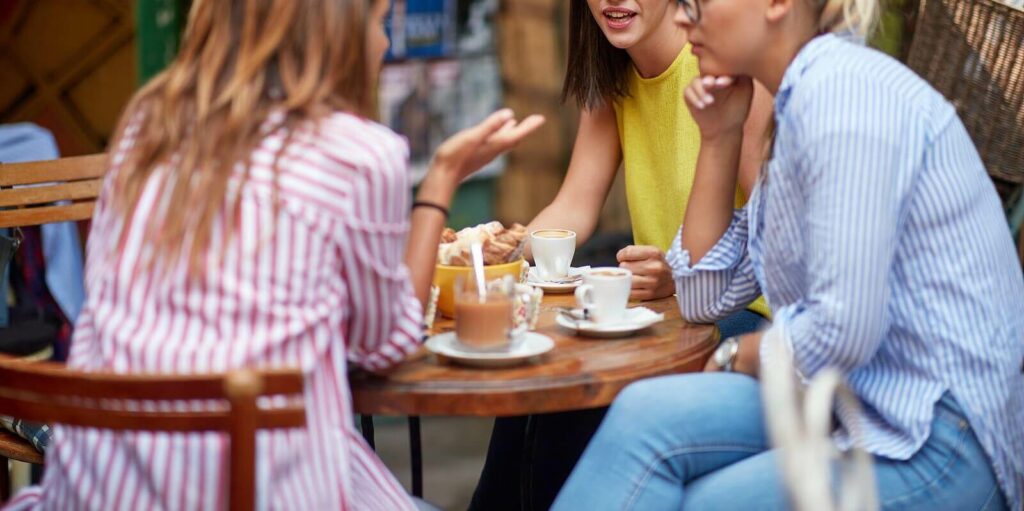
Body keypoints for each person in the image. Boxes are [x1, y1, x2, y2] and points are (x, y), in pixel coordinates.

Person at [5, 0, 543, 509]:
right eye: (378, 21)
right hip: (258, 485)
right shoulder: (360, 153)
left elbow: (108, 300)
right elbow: (387, 345)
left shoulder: (148, 122)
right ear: (335, 32)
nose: (382, 43)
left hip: (102, 485)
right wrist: (440, 181)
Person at [552, 0, 1024, 508]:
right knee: (642, 414)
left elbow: (841, 332)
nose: (683, 17)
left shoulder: (844, 100)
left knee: (701, 502)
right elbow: (702, 298)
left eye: (698, 2)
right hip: (850, 399)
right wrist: (719, 137)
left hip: (934, 434)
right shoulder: (798, 104)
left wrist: (737, 355)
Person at [470, 1, 773, 509]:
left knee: (584, 404)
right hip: (661, 315)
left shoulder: (720, 65)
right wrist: (495, 250)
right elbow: (574, 205)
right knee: (538, 380)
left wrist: (679, 277)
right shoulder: (615, 72)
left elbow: (779, 244)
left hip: (744, 316)